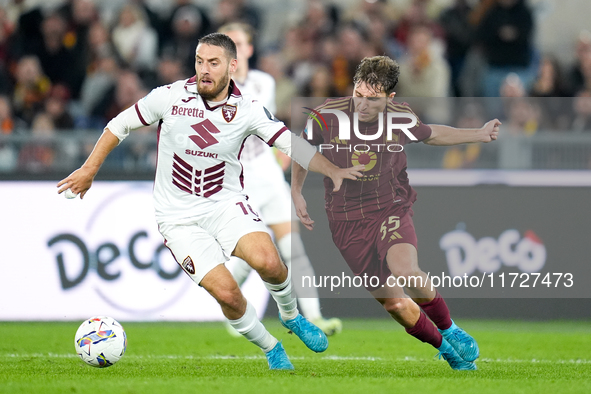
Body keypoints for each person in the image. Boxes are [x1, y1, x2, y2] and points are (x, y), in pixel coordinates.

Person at [57, 33, 364, 370]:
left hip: (225, 204)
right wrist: (89, 169)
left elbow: (288, 143)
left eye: (213, 63)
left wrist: (332, 170)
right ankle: (271, 348)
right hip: (178, 218)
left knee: (270, 262)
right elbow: (120, 124)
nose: (204, 69)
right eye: (199, 61)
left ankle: (291, 317)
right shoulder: (170, 97)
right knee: (229, 294)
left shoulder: (247, 110)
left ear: (232, 66)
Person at [291, 56, 501, 371]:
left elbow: (431, 134)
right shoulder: (326, 115)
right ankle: (447, 350)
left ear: (389, 99)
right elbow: (301, 149)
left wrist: (479, 134)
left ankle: (449, 327)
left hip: (390, 208)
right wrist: (296, 191)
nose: (362, 105)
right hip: (346, 221)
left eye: (372, 100)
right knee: (397, 304)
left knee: (405, 270)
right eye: (358, 95)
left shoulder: (400, 117)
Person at [218, 22, 343, 336]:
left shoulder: (264, 83)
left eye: (239, 42)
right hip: (236, 180)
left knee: (292, 248)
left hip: (267, 173)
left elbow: (262, 122)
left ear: (248, 49)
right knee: (254, 253)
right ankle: (234, 313)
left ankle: (315, 317)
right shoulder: (213, 87)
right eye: (227, 43)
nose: (233, 48)